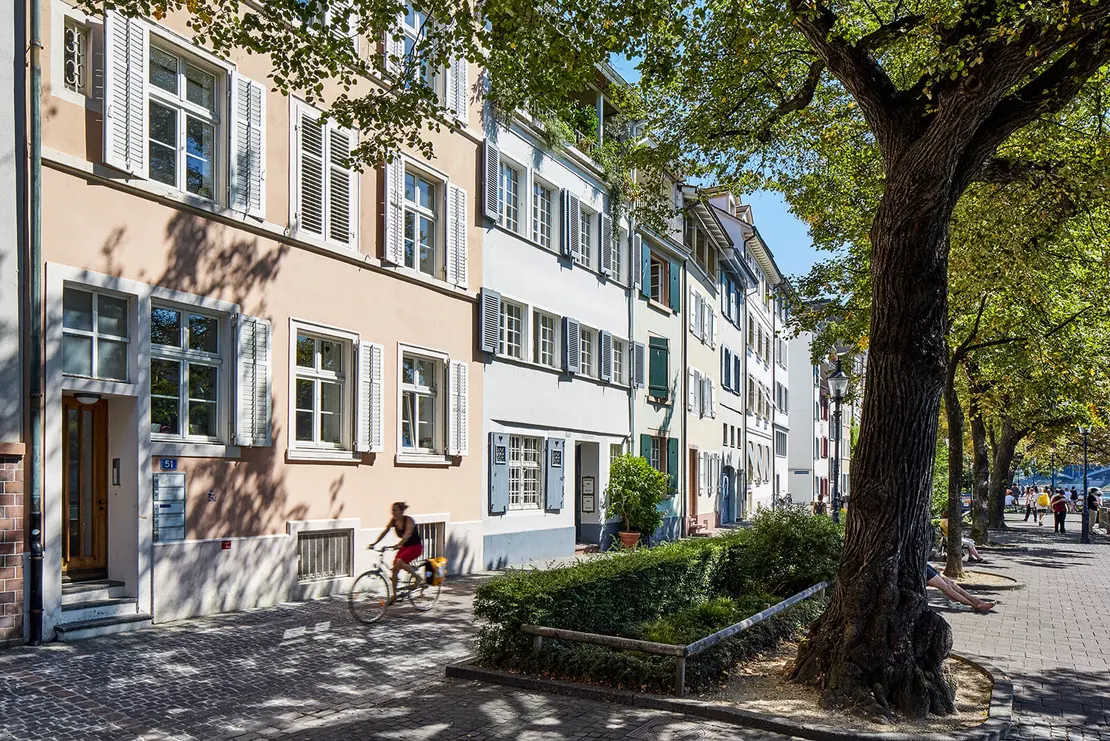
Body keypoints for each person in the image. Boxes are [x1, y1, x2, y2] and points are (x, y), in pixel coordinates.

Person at [370, 502, 424, 601]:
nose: (393, 512)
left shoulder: (408, 520)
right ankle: (394, 596)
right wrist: (375, 543)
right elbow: (385, 531)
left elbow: (407, 534)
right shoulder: (393, 521)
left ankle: (418, 578)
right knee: (395, 569)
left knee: (399, 562)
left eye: (395, 510)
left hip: (415, 547)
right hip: (405, 546)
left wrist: (399, 544)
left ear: (401, 511)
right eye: (392, 510)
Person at [926, 564, 995, 612]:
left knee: (952, 583)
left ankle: (978, 602)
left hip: (925, 565)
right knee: (947, 588)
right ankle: (974, 605)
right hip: (924, 569)